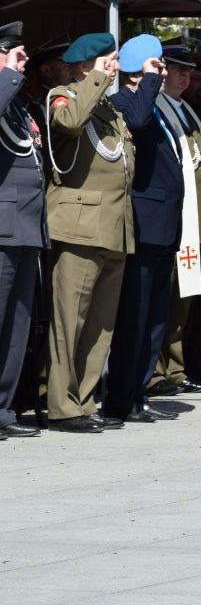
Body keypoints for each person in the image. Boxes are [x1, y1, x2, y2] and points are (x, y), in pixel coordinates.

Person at [44, 33, 132, 433]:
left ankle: (84, 400)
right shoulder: (63, 97)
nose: (113, 67)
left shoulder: (109, 108)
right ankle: (62, 406)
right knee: (69, 322)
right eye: (107, 60)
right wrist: (93, 80)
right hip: (79, 228)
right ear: (86, 65)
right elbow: (68, 123)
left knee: (100, 324)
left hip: (113, 227)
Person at [105, 35, 186, 424]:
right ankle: (121, 396)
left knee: (155, 318)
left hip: (165, 225)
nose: (165, 72)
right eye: (158, 66)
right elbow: (133, 121)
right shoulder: (123, 102)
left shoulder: (156, 106)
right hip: (143, 224)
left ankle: (139, 390)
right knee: (134, 317)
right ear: (140, 69)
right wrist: (147, 81)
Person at [151, 43, 201, 396]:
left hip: (198, 220)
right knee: (168, 299)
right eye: (177, 68)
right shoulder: (157, 108)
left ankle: (175, 369)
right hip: (176, 219)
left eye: (187, 70)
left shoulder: (186, 109)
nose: (184, 75)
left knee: (186, 300)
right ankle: (158, 370)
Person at [0, 24, 47, 439]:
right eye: (16, 54)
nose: (23, 63)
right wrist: (7, 74)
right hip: (3, 229)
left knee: (17, 325)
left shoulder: (18, 106)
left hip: (26, 229)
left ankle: (3, 409)